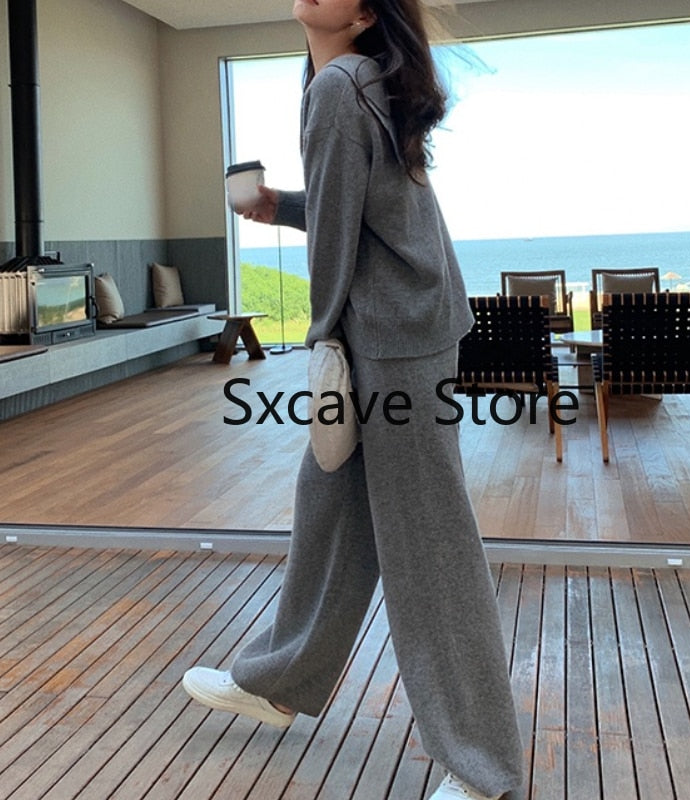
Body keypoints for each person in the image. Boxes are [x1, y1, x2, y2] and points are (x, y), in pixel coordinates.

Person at [182, 2, 525, 799]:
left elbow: (339, 243)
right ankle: (279, 680)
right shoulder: (350, 77)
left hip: (393, 338)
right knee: (330, 505)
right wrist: (281, 207)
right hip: (404, 323)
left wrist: (320, 341)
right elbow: (366, 207)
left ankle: (482, 764)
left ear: (366, 12)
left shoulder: (341, 82)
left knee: (428, 542)